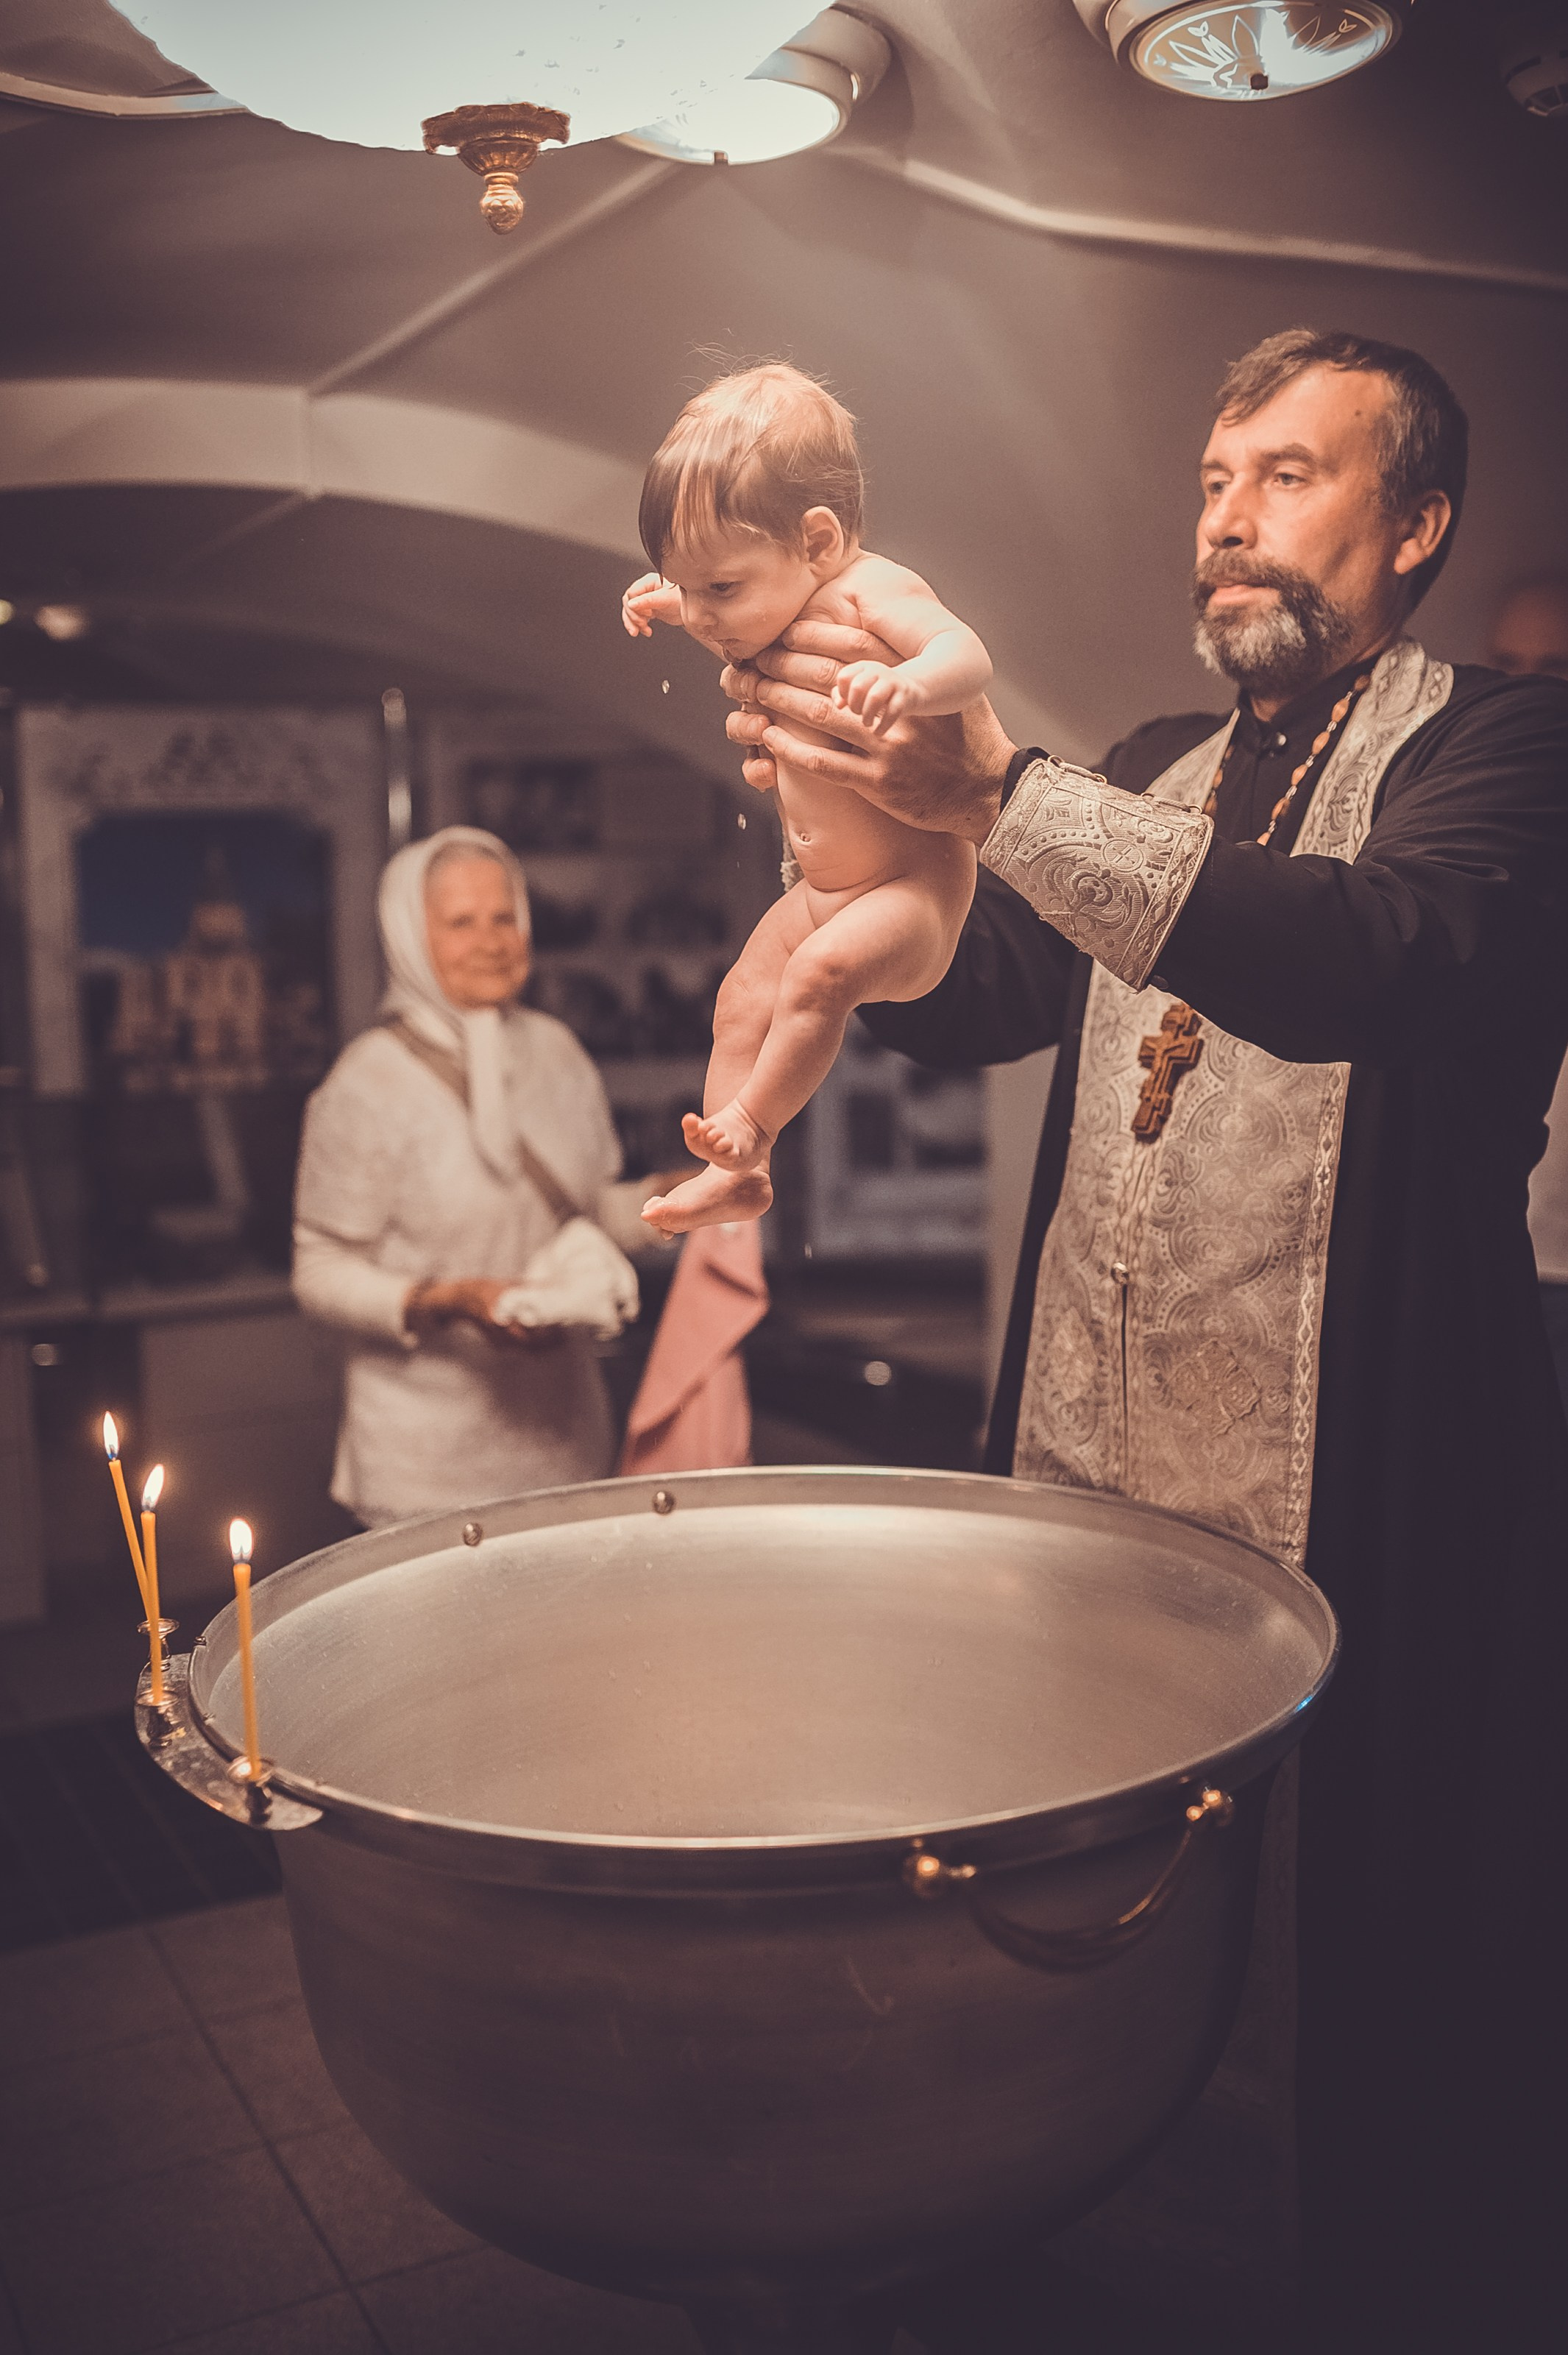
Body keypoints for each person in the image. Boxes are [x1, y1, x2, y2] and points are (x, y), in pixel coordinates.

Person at [722, 330, 1568, 2350]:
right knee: (1096, 1937)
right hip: (1099, 1483)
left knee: (1352, 1965)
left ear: (1417, 524)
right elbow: (971, 993)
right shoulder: (1161, 760)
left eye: (1285, 474)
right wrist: (843, 797)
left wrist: (1008, 790)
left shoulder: (1505, 746)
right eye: (1210, 479)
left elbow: (1377, 959)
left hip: (1357, 1475)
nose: (1225, 516)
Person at [620, 364, 991, 1236]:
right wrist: (672, 600)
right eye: (686, 583)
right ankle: (734, 1172)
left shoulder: (872, 591)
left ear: (819, 541)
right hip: (820, 892)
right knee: (743, 995)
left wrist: (911, 685)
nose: (704, 614)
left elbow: (966, 653)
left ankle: (753, 1123)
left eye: (720, 588)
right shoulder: (769, 596)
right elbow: (717, 588)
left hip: (912, 894)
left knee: (817, 976)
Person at [293, 826, 667, 1526]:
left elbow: (587, 1216)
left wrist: (669, 1202)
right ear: (408, 937)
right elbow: (318, 1272)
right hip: (424, 1473)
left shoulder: (557, 1052)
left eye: (504, 918)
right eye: (461, 923)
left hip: (566, 1446)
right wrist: (455, 1299)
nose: (492, 941)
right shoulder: (365, 1085)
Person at [1489, 571, 1568, 1412]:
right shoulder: (1461, 832)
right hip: (1499, 1247)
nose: (1525, 696)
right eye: (1505, 667)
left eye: (1553, 669)